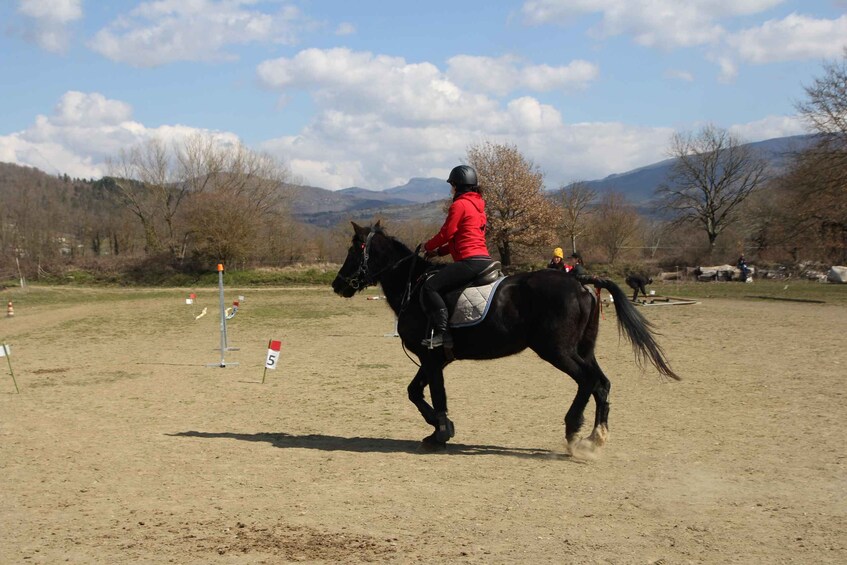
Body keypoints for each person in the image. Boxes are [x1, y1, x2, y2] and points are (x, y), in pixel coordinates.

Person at [420, 165, 491, 349]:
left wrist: (426, 246)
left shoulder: (459, 205)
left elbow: (447, 234)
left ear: (457, 185)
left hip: (469, 261)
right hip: (483, 259)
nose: (451, 189)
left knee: (430, 287)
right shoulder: (480, 207)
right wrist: (438, 252)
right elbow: (461, 239)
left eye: (452, 185)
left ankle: (443, 335)